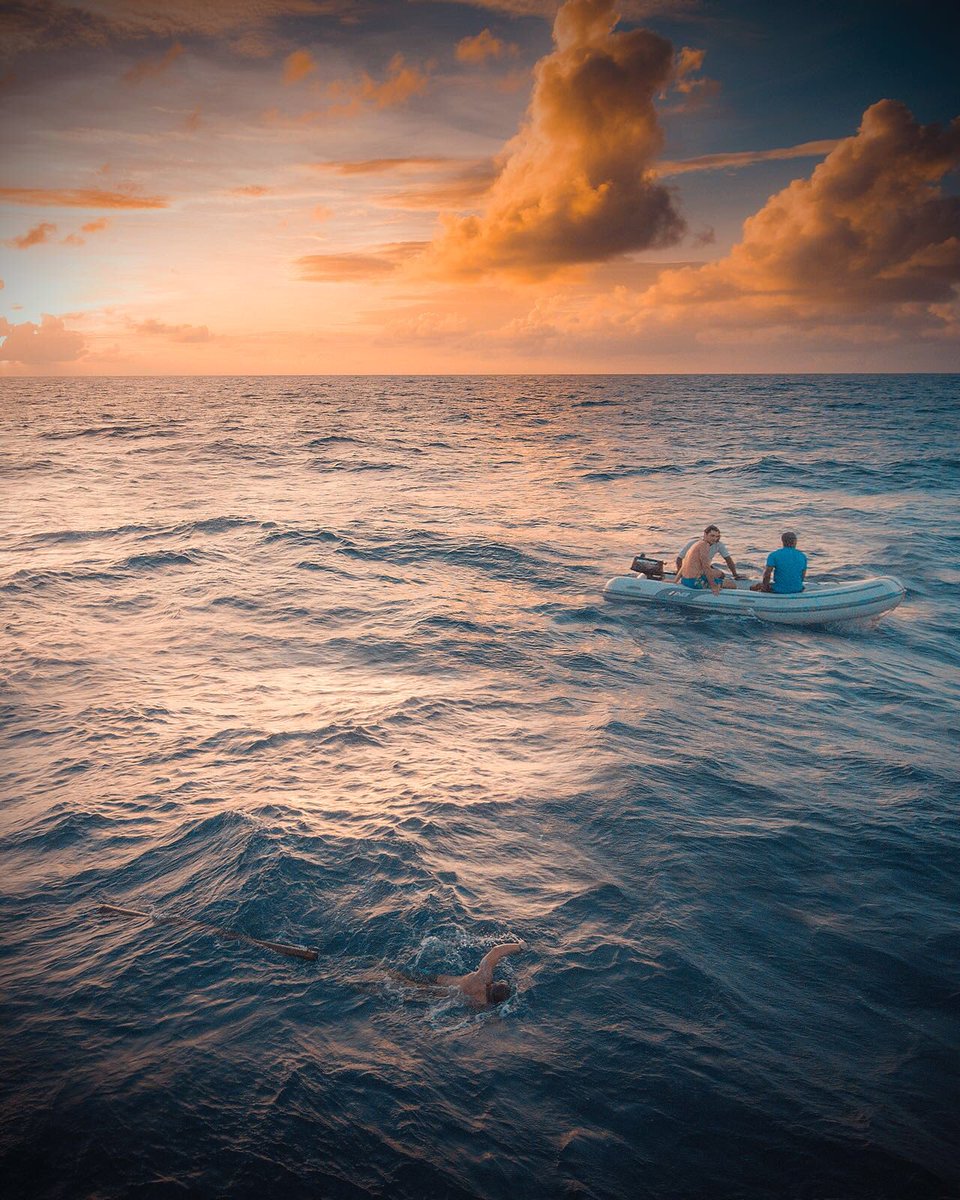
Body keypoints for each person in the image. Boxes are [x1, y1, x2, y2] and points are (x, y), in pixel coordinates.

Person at [392, 942, 525, 1007]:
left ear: (494, 985)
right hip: (442, 996)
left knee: (401, 976)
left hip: (442, 981)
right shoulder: (481, 1004)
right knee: (407, 989)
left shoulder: (483, 978)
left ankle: (386, 972)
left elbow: (496, 951)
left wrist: (519, 947)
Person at [676, 526, 738, 595]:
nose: (714, 539)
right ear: (705, 534)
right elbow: (706, 567)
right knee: (732, 585)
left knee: (720, 574)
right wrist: (713, 586)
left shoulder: (697, 544)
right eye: (712, 536)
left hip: (685, 580)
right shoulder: (704, 546)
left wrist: (675, 580)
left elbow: (684, 564)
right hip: (695, 583)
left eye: (717, 536)